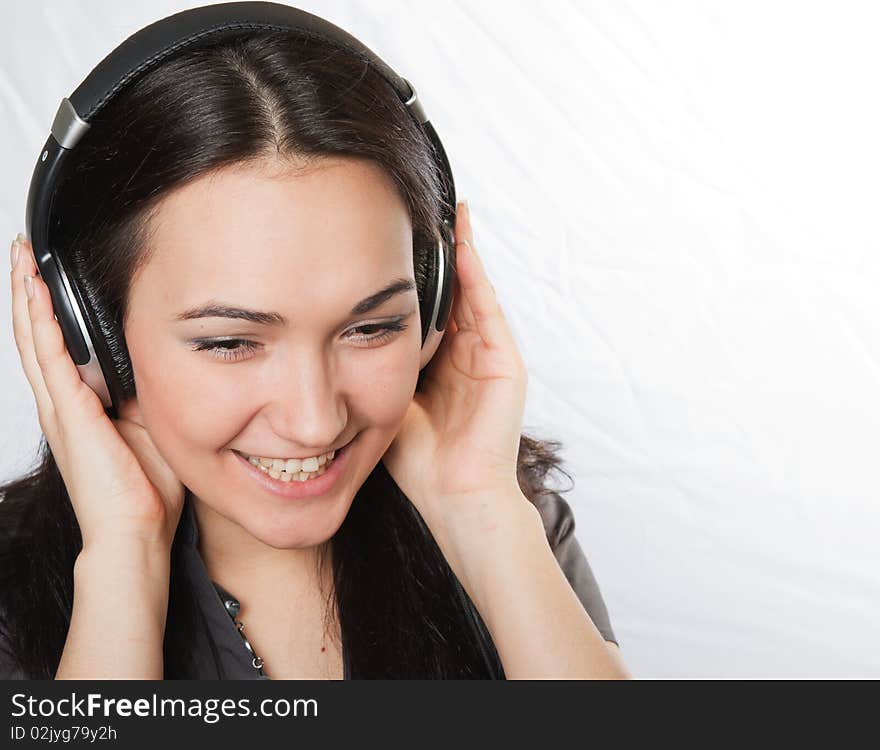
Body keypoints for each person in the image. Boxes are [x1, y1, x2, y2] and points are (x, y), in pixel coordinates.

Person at [0, 28, 629, 680]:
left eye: (372, 328)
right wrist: (122, 559)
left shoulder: (508, 516)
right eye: (231, 342)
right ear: (91, 337)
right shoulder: (11, 590)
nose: (315, 422)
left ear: (435, 302)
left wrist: (480, 509)